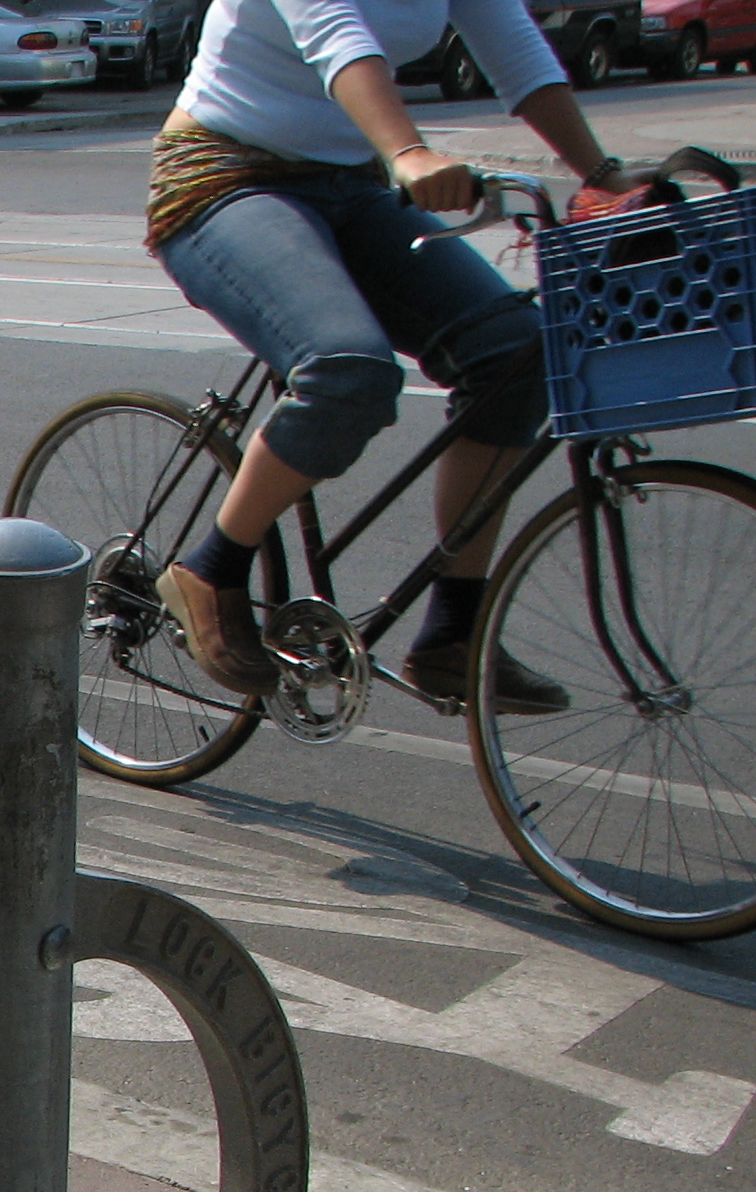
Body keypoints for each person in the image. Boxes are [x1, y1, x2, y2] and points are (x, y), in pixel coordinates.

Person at [145, 0, 651, 713]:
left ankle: (453, 633)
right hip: (224, 178)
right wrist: (408, 151)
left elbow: (518, 51)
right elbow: (335, 34)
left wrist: (601, 173)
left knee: (516, 351)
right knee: (348, 370)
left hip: (351, 187)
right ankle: (210, 569)